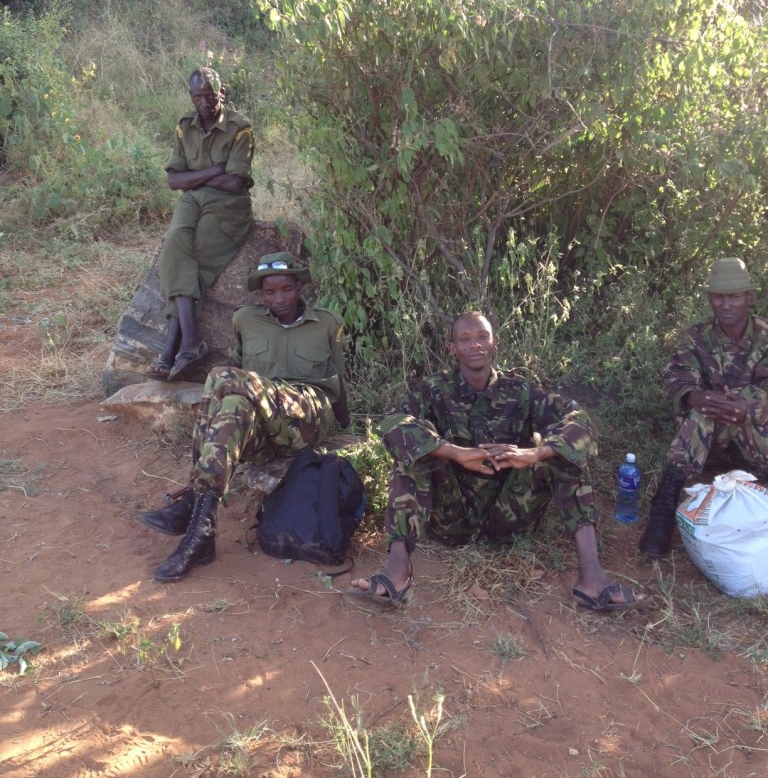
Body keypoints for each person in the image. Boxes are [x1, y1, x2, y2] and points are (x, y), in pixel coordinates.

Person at [349, 311, 645, 612]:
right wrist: (453, 452)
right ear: (452, 348)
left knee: (564, 456)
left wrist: (536, 453)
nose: (474, 344)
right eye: (464, 339)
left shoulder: (520, 389)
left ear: (495, 343)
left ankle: (591, 579)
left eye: (482, 337)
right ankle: (397, 572)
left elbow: (579, 421)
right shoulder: (434, 389)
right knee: (413, 457)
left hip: (511, 513)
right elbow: (393, 423)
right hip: (450, 515)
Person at [139, 252, 351, 582]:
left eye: (287, 289)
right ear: (261, 295)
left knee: (223, 377)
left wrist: (346, 424)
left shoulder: (327, 322)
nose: (279, 299)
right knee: (233, 406)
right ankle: (201, 535)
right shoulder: (245, 320)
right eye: (270, 292)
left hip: (305, 418)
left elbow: (337, 376)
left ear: (299, 288)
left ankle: (191, 496)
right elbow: (241, 370)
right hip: (263, 424)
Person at [639, 257, 768, 557]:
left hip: (753, 437)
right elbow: (676, 377)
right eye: (719, 297)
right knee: (703, 411)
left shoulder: (765, 336)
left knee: (747, 400)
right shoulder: (696, 337)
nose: (726, 305)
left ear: (749, 297)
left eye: (734, 297)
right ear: (710, 298)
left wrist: (746, 406)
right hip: (707, 441)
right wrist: (697, 397)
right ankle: (664, 506)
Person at [148, 66, 255, 382]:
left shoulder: (240, 128)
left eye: (210, 96)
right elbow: (173, 180)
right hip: (193, 200)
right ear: (191, 96)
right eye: (198, 97)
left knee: (197, 263)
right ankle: (191, 343)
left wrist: (193, 178)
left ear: (222, 93)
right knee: (173, 249)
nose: (205, 103)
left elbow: (235, 183)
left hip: (228, 206)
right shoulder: (184, 126)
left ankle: (173, 348)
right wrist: (215, 170)